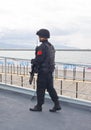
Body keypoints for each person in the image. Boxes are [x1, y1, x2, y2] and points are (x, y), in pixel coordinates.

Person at [29, 29, 61, 112]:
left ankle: (39, 106)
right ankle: (57, 104)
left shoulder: (41, 47)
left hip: (43, 72)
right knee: (50, 88)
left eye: (39, 36)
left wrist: (33, 61)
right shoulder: (51, 46)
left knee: (40, 89)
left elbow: (39, 59)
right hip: (49, 72)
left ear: (42, 37)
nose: (38, 38)